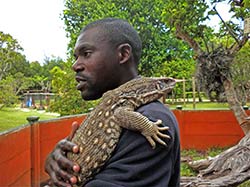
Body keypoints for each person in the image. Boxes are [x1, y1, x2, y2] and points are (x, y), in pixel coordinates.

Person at [44, 18, 180, 187]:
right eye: (76, 57)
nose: (75, 66)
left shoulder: (151, 120)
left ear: (123, 54)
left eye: (86, 54)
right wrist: (57, 161)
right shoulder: (112, 104)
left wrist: (147, 126)